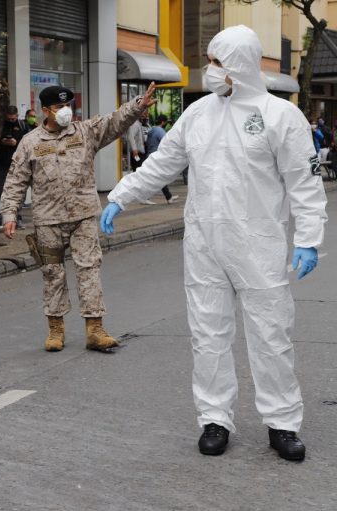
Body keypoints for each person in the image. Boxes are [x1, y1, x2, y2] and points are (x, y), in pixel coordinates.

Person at [100, 26, 327, 461]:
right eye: (209, 60)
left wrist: (309, 239)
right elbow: (163, 163)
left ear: (239, 63)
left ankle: (282, 423)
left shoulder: (280, 116)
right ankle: (214, 419)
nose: (210, 69)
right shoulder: (198, 114)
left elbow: (305, 183)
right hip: (204, 244)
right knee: (208, 335)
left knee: (271, 335)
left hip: (258, 244)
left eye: (217, 62)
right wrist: (121, 196)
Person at [0, 83, 157, 352]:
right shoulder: (30, 142)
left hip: (83, 215)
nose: (65, 110)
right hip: (48, 219)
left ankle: (95, 329)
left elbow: (114, 122)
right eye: (59, 106)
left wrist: (137, 105)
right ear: (46, 110)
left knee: (89, 269)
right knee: (52, 273)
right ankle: (55, 330)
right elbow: (16, 179)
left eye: (68, 105)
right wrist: (9, 213)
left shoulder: (84, 132)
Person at [0, 105, 26, 230]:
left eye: (13, 119)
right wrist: (1, 142)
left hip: (17, 164)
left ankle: (17, 218)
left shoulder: (22, 125)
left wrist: (16, 142)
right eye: (9, 118)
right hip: (1, 163)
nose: (11, 120)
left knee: (17, 191)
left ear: (17, 116)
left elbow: (27, 142)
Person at [144, 114, 180, 204]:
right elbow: (167, 142)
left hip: (150, 155)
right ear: (163, 122)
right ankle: (145, 197)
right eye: (166, 122)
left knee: (160, 177)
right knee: (157, 177)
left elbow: (147, 142)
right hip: (157, 157)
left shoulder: (151, 130)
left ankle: (169, 197)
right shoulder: (160, 131)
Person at [125, 110, 156, 205]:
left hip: (140, 153)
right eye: (144, 114)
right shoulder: (135, 124)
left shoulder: (139, 124)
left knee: (139, 175)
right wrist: (134, 150)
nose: (145, 116)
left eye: (146, 114)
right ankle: (143, 197)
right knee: (142, 175)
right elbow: (130, 137)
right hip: (137, 153)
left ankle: (139, 196)